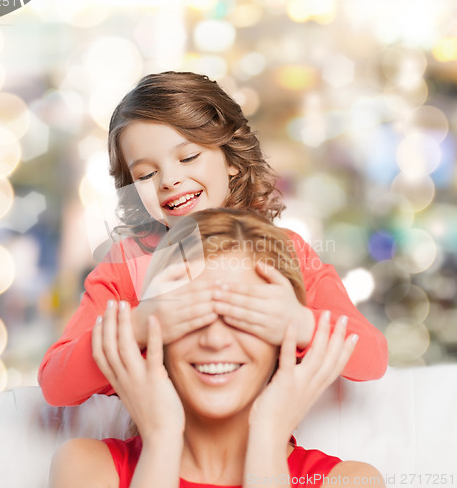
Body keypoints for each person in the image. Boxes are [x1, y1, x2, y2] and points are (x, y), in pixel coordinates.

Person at [38, 71, 388, 407]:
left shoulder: (284, 250)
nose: (169, 180)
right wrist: (139, 326)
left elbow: (372, 359)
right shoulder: (124, 267)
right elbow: (56, 385)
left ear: (231, 159)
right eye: (146, 174)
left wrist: (298, 323)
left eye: (188, 157)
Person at [48, 209, 385, 488]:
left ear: (286, 340)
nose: (215, 340)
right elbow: (56, 378)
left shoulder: (350, 481)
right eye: (193, 315)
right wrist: (161, 439)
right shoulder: (87, 468)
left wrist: (268, 437)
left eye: (243, 316)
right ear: (156, 339)